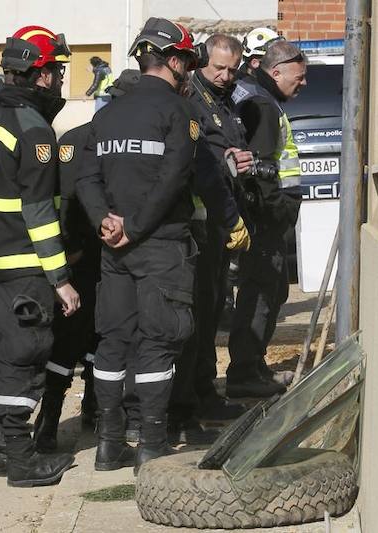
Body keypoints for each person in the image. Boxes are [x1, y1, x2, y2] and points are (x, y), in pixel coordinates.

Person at [0, 25, 80, 487]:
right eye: (58, 71)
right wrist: (61, 278)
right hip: (24, 272)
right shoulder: (33, 130)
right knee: (24, 358)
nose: (62, 80)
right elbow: (41, 213)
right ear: (41, 76)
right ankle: (23, 461)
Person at [77, 17, 206, 473]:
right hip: (160, 245)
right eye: (187, 62)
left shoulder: (107, 113)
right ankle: (151, 444)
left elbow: (86, 178)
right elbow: (174, 179)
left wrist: (104, 225)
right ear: (173, 60)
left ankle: (109, 443)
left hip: (114, 250)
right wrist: (135, 226)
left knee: (113, 341)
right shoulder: (181, 113)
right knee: (158, 341)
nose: (189, 71)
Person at [168, 33, 253, 429]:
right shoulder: (190, 99)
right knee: (199, 315)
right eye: (217, 67)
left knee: (214, 306)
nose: (224, 75)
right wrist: (224, 159)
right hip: (200, 225)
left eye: (231, 69)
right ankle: (194, 397)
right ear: (202, 61)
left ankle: (204, 391)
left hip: (220, 220)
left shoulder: (226, 99)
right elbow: (197, 157)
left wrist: (240, 159)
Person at [226, 38, 307, 398]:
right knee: (261, 293)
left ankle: (253, 366)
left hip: (262, 217)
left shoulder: (258, 96)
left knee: (267, 292)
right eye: (299, 76)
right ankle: (245, 373)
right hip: (264, 220)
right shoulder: (261, 104)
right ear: (276, 72)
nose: (303, 83)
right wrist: (280, 211)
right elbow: (260, 173)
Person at [31, 122, 102, 452]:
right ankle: (60, 419)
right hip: (88, 255)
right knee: (83, 337)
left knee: (82, 338)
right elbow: (67, 200)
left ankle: (52, 423)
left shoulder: (74, 136)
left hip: (78, 253)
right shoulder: (92, 139)